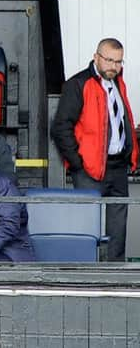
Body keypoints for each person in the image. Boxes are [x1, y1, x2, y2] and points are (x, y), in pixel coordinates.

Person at [51, 38, 138, 261]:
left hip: (117, 165)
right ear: (96, 57)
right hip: (89, 168)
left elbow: (122, 120)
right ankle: (86, 274)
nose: (114, 66)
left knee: (118, 227)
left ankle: (115, 274)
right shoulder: (78, 84)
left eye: (119, 61)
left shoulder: (118, 82)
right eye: (109, 60)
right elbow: (61, 127)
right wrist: (78, 163)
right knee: (87, 225)